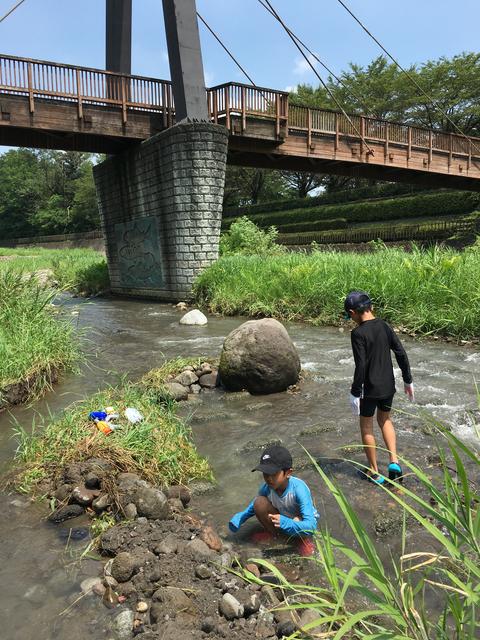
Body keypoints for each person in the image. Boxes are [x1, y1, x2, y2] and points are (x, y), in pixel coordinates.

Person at [344, 290, 414, 485]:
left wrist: (355, 391)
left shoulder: (358, 333)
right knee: (385, 419)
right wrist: (408, 379)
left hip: (370, 388)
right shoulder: (384, 326)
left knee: (366, 425)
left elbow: (362, 365)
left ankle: (374, 472)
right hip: (388, 386)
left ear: (352, 312)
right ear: (371, 307)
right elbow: (401, 352)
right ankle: (394, 462)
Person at [228, 445, 318, 556]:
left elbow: (311, 526)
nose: (269, 478)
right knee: (259, 502)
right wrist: (241, 517)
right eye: (265, 474)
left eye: (273, 474)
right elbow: (254, 505)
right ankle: (275, 536)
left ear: (288, 473)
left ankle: (302, 541)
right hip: (281, 518)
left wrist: (287, 523)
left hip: (300, 522)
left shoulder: (299, 489)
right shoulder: (267, 487)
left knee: (297, 521)